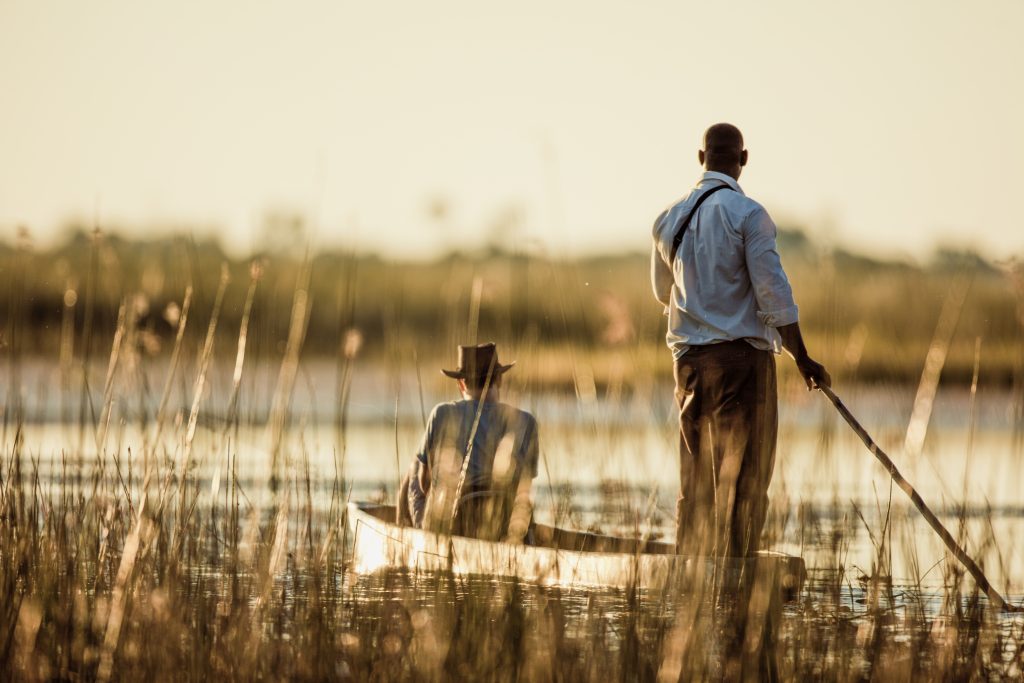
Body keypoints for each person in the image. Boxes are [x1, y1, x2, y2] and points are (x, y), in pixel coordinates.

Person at [651, 123, 831, 559]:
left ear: (701, 158)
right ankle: (737, 571)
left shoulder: (668, 218)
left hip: (690, 366)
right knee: (746, 474)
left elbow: (662, 293)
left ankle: (693, 569)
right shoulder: (749, 214)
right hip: (742, 365)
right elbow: (774, 295)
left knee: (696, 475)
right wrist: (803, 358)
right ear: (743, 159)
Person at [397, 342, 538, 544]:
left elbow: (424, 484)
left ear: (461, 383)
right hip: (504, 527)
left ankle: (413, 541)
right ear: (499, 379)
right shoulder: (526, 421)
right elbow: (524, 491)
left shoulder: (442, 413)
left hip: (454, 525)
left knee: (416, 466)